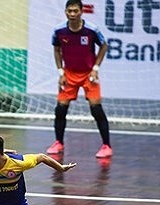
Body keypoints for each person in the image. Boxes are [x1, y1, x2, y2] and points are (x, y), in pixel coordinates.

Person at [46, 0, 112, 158]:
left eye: (75, 11)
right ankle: (59, 143)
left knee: (96, 109)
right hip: (69, 74)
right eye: (69, 11)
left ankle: (106, 146)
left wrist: (95, 69)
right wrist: (61, 72)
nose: (72, 14)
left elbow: (104, 46)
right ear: (65, 12)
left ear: (81, 11)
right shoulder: (59, 31)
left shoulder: (91, 30)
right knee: (60, 109)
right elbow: (56, 50)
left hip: (89, 74)